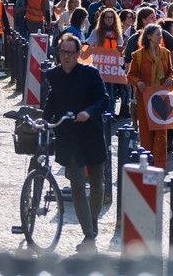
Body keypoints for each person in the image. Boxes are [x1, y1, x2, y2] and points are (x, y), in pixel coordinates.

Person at [42, 33, 108, 253]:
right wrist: (43, 121)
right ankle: (88, 236)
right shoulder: (54, 75)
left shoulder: (90, 73)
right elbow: (53, 99)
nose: (66, 56)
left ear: (78, 53)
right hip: (68, 136)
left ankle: (92, 221)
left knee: (98, 186)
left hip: (91, 133)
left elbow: (104, 100)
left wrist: (89, 113)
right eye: (63, 52)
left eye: (70, 53)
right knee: (78, 187)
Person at [127, 23, 173, 168]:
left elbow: (170, 72)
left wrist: (170, 80)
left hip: (162, 97)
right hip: (144, 97)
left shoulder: (165, 53)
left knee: (161, 132)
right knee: (146, 131)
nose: (161, 37)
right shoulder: (138, 55)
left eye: (161, 34)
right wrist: (138, 82)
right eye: (158, 35)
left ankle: (160, 166)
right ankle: (147, 163)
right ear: (149, 37)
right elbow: (131, 75)